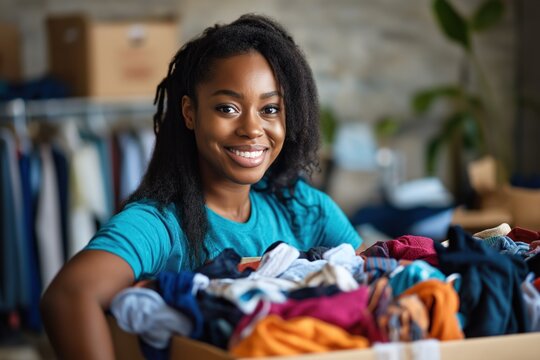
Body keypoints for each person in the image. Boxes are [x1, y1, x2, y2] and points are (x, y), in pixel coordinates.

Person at [41, 13, 362, 359]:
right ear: (190, 113)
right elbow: (68, 297)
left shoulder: (301, 206)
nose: (252, 128)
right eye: (228, 108)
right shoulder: (160, 223)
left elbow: (373, 285)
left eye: (270, 109)